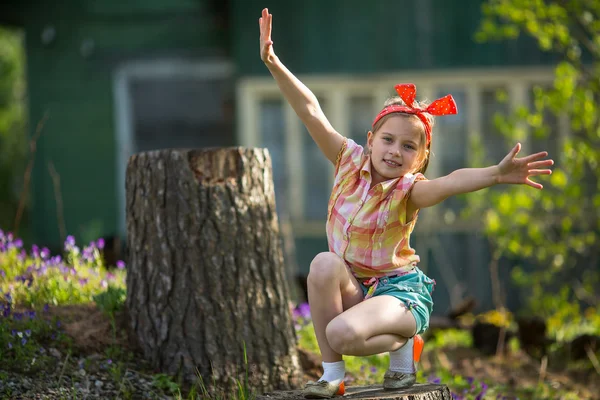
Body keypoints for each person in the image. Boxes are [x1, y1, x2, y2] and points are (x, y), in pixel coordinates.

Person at [258, 8, 553, 399]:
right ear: (371, 138)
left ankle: (403, 341)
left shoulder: (410, 191)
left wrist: (495, 174)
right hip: (357, 287)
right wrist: (274, 63)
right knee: (323, 263)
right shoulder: (347, 161)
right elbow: (311, 110)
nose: (395, 151)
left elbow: (451, 182)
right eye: (388, 140)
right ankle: (332, 377)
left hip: (397, 295)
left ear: (420, 159)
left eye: (409, 146)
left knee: (340, 333)